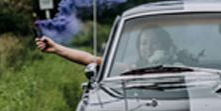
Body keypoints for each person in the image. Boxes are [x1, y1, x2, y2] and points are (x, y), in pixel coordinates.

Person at [35, 25, 178, 69]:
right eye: (144, 43)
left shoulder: (180, 63)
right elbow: (90, 59)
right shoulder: (133, 68)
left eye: (155, 43)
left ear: (164, 45)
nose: (148, 48)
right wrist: (57, 48)